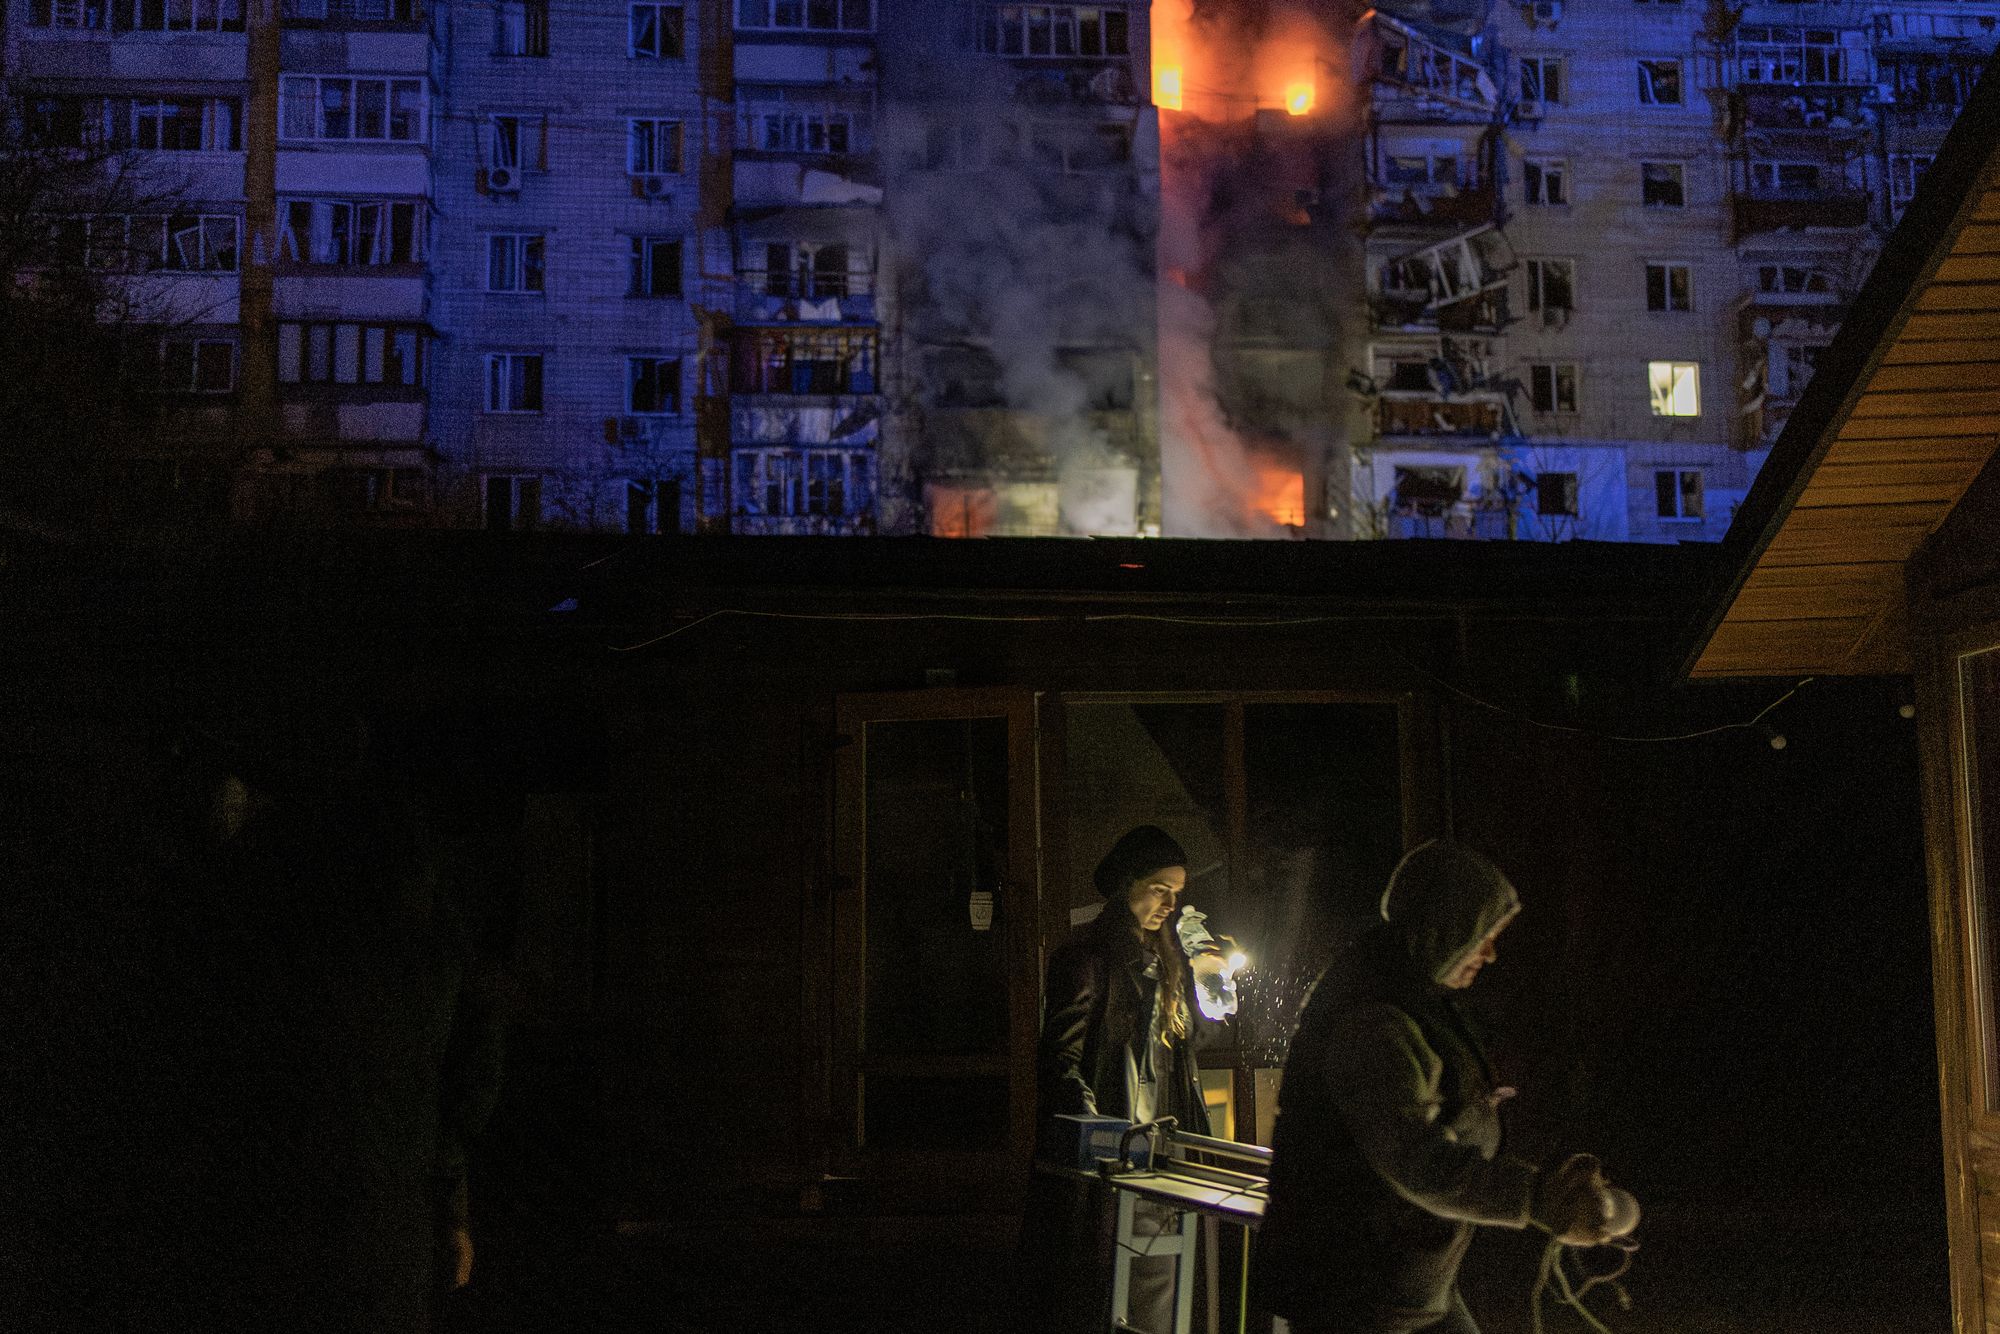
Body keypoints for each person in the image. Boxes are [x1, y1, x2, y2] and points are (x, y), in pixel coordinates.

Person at [1257, 840, 1618, 1334]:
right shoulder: (1374, 1021)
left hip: (1408, 1283)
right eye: (1483, 936)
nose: (1490, 954)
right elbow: (1416, 1159)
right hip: (1358, 1295)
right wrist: (1537, 1200)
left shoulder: (1413, 997)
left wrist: (1549, 1177)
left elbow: (1457, 1114)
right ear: (1445, 928)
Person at [1021, 824, 1223, 1334]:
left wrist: (1207, 983)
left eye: (1176, 895)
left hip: (1158, 1149)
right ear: (1126, 884)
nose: (1168, 905)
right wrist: (1091, 1128)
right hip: (1112, 1151)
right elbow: (1060, 1056)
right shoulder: (1088, 958)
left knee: (1156, 1285)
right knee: (1101, 1286)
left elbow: (1187, 1045)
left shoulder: (1166, 960)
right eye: (1159, 889)